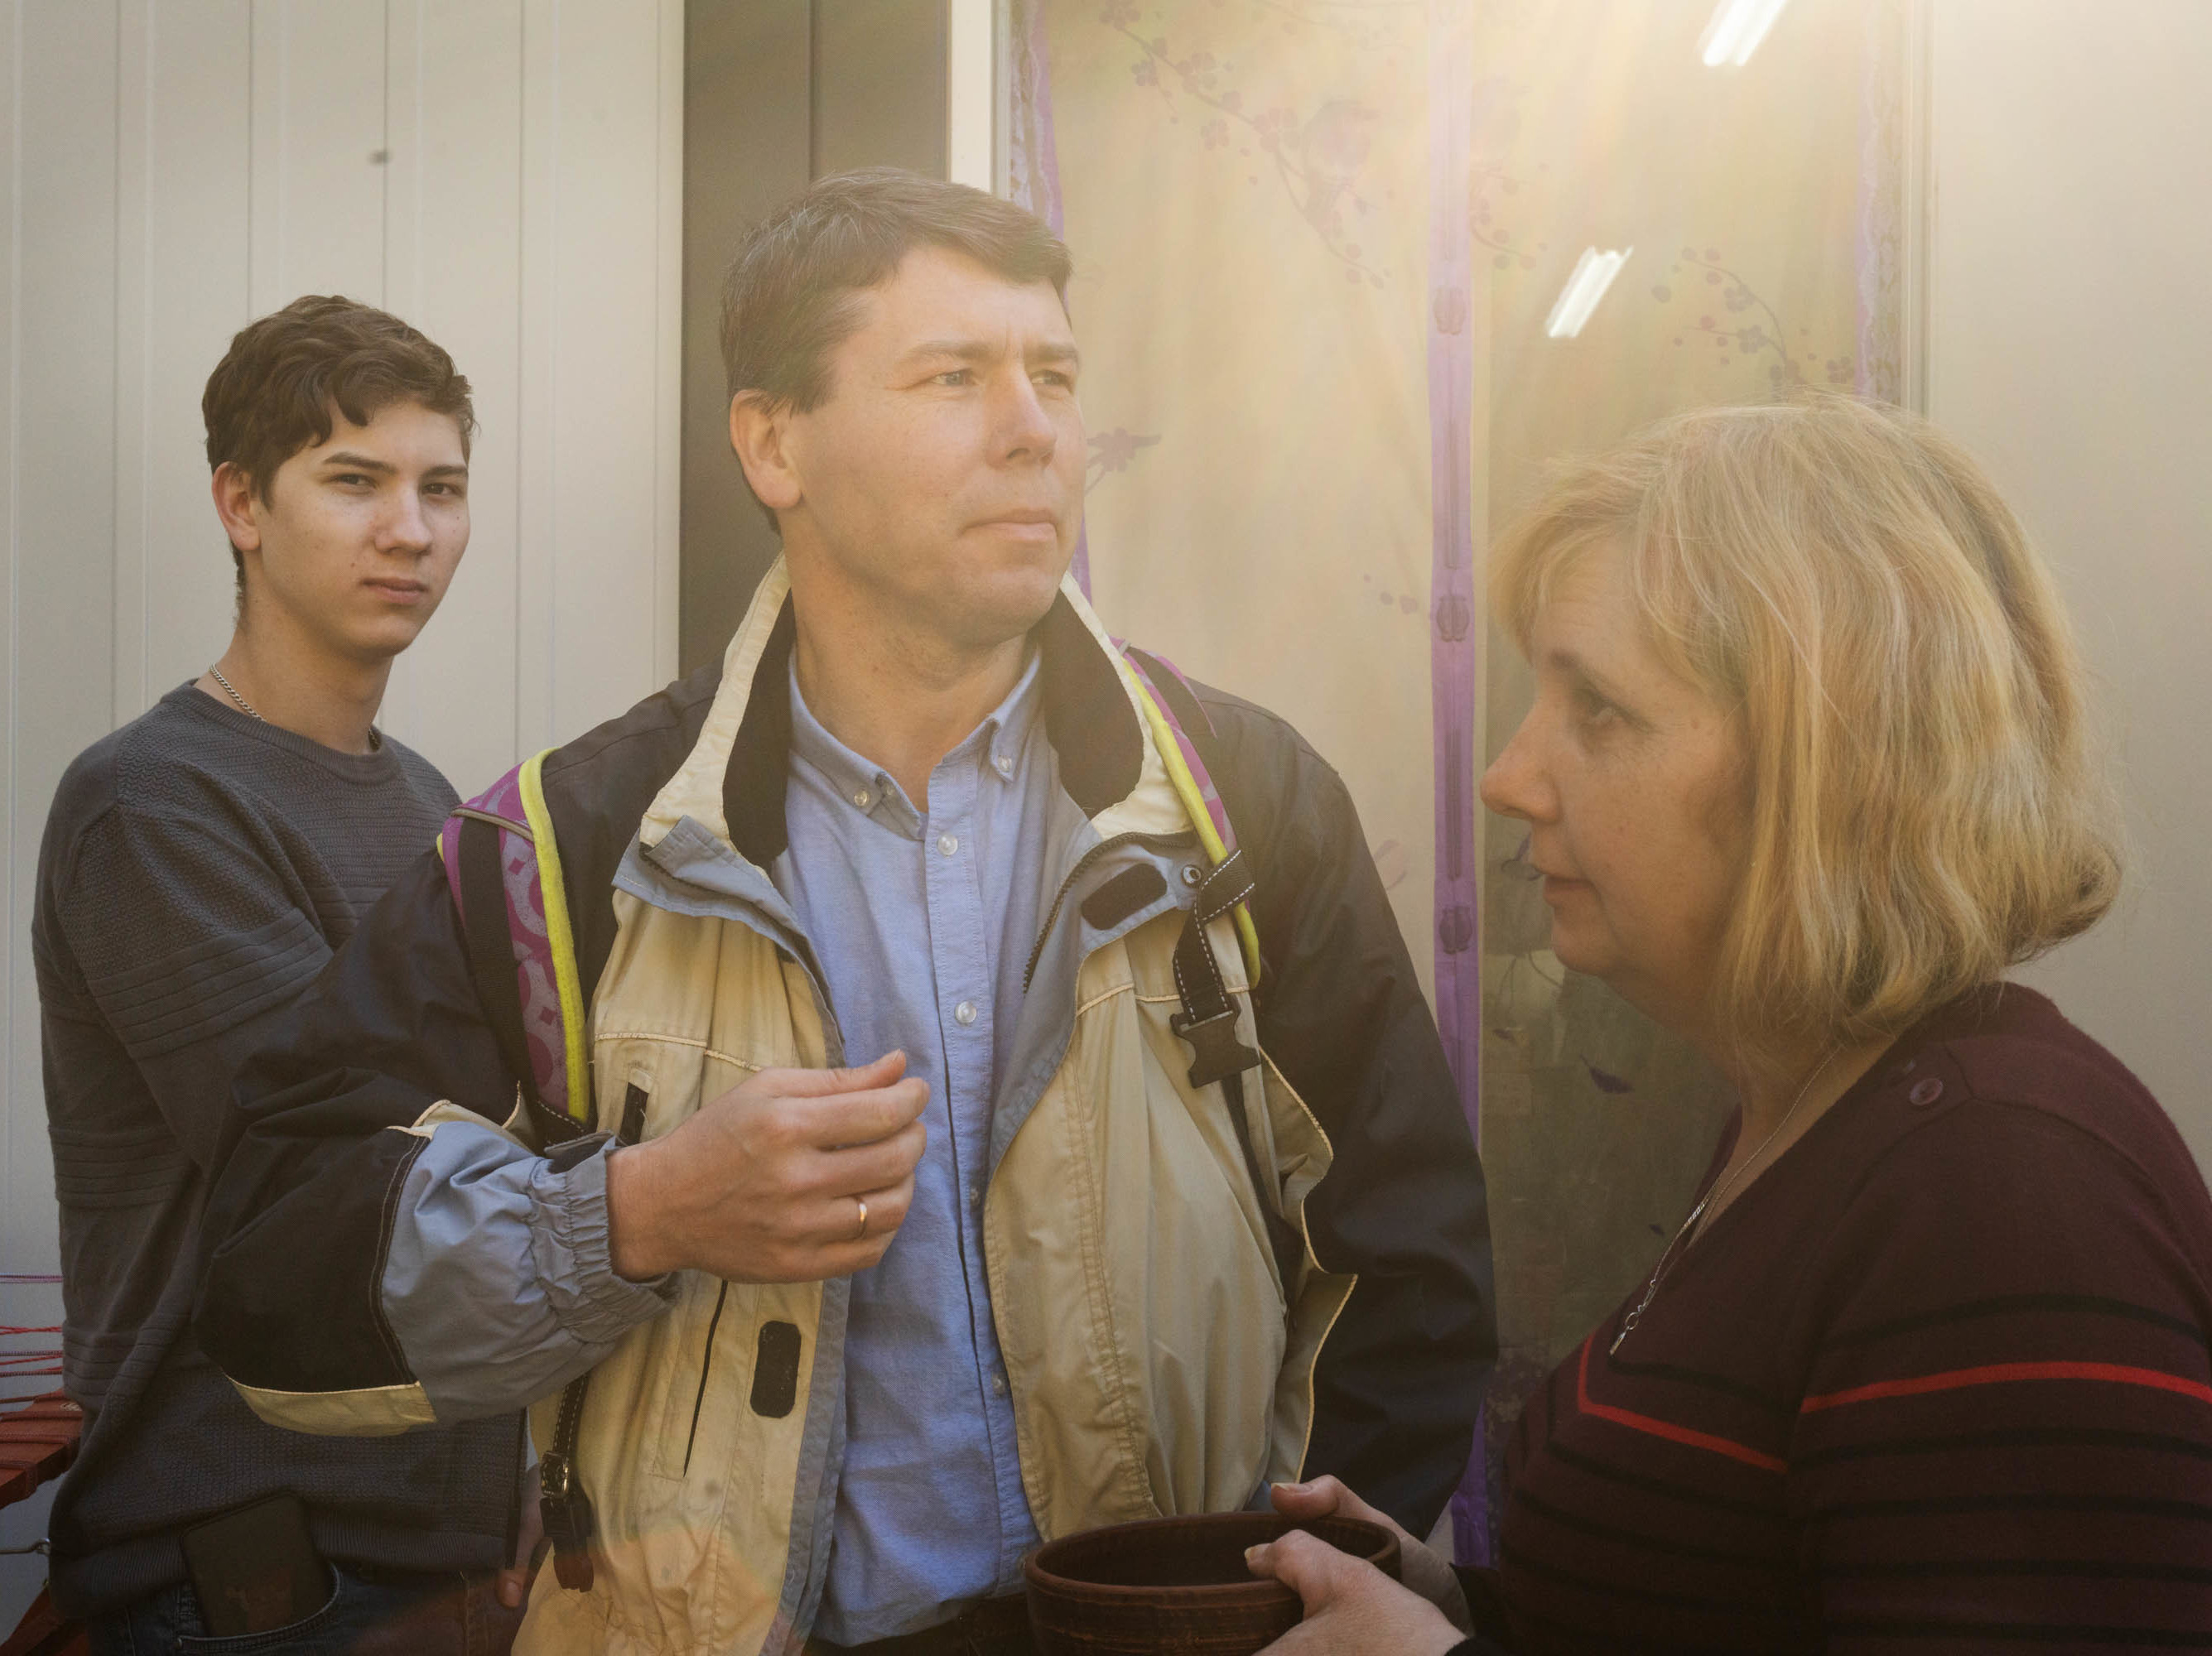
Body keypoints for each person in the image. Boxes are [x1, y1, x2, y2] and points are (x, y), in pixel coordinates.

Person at [190, 170, 1495, 1654]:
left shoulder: (1238, 802)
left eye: (1053, 375)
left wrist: (1293, 1589)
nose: (1034, 428)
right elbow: (271, 1272)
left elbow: (1411, 1263)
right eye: (953, 376)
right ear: (774, 444)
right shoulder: (562, 846)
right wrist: (634, 1214)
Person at [1245, 397, 2212, 1651]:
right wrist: (1448, 1606)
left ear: (1831, 765)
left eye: (1597, 710)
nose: (1509, 776)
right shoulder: (1814, 1119)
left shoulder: (1999, 1187)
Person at [31, 295, 535, 1654]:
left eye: (443, 488)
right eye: (355, 482)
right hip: (263, 1579)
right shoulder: (154, 806)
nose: (411, 531)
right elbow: (348, 1186)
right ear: (241, 505)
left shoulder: (429, 797)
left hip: (440, 1560)